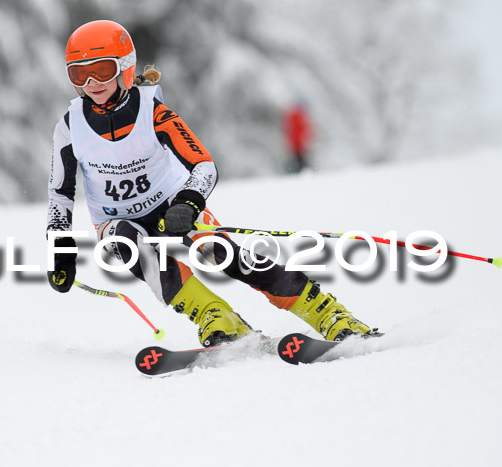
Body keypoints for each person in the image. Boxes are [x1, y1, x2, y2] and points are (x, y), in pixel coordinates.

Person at [47, 20, 378, 347]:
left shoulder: (152, 112)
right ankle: (214, 315)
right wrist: (60, 247)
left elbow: (203, 164)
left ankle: (326, 313)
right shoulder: (70, 127)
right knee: (129, 244)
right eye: (79, 73)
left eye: (102, 70)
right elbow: (60, 193)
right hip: (115, 221)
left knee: (221, 252)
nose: (91, 82)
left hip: (172, 203)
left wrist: (189, 202)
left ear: (125, 67)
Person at [283, 100, 312, 173]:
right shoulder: (298, 116)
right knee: (300, 161)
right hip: (298, 144)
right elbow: (298, 131)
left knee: (298, 161)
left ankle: (300, 173)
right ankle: (302, 173)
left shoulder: (296, 115)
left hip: (297, 144)